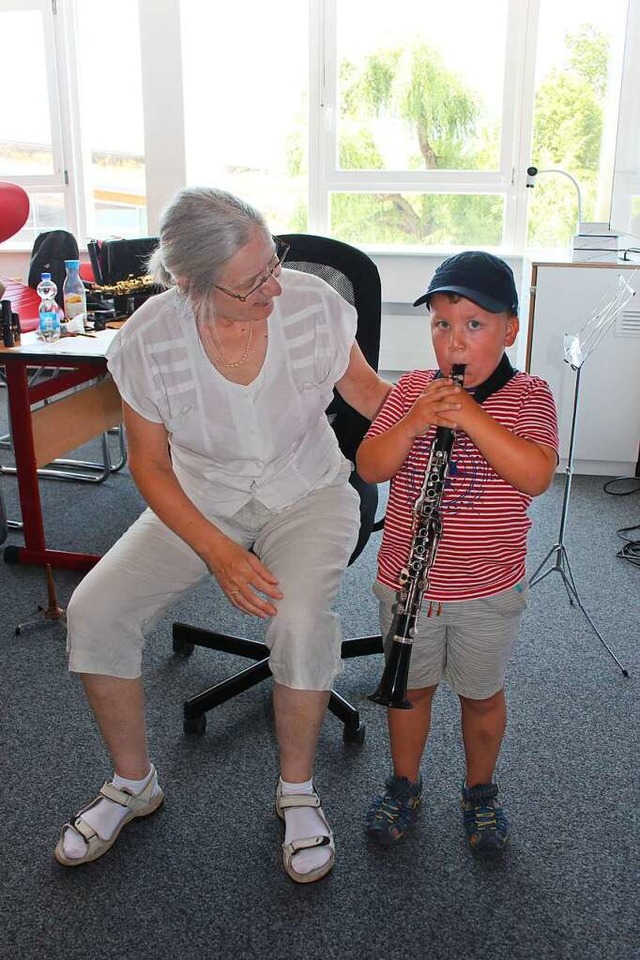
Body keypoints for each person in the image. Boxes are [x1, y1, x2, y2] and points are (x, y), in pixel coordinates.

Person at [54, 186, 392, 883]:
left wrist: (452, 426)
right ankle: (132, 783)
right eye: (250, 284)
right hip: (198, 501)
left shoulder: (312, 305)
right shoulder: (149, 338)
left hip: (307, 490)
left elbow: (369, 396)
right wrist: (218, 551)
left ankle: (297, 793)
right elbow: (148, 466)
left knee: (298, 620)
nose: (274, 288)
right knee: (94, 612)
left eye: (273, 264)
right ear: (189, 284)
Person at [357, 251, 558, 856]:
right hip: (408, 585)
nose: (455, 340)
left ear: (509, 330)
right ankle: (405, 782)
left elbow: (536, 475)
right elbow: (370, 465)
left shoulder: (529, 396)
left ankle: (480, 791)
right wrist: (415, 421)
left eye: (474, 324)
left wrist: (472, 417)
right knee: (411, 691)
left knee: (480, 694)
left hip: (485, 588)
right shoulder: (414, 390)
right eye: (442, 324)